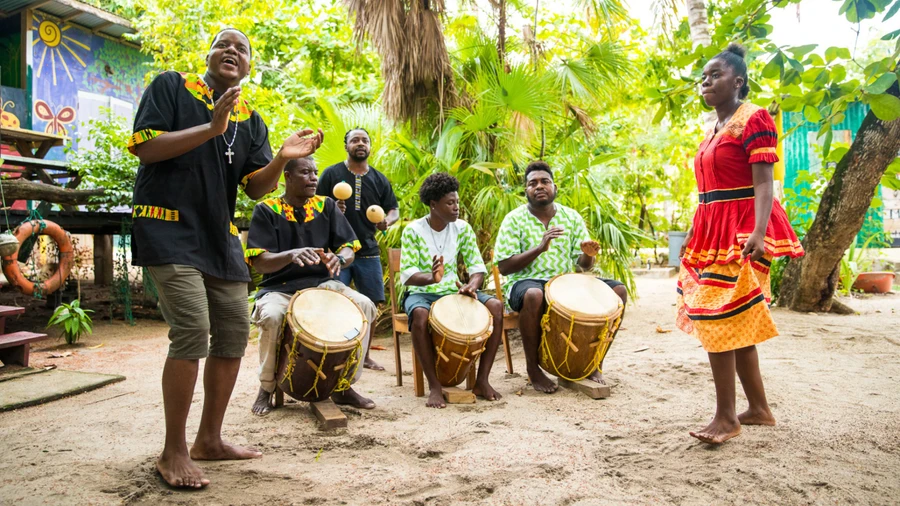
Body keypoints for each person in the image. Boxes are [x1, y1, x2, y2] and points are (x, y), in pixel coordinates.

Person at [128, 28, 324, 489]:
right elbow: (145, 146)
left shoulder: (250, 119)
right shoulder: (171, 86)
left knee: (234, 333)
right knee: (193, 328)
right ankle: (173, 449)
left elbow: (256, 187)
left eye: (242, 48)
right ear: (210, 55)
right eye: (224, 44)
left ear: (249, 65)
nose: (232, 51)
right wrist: (212, 128)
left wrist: (280, 158)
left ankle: (209, 440)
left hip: (218, 237)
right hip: (166, 226)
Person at [677, 43, 804, 445]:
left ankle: (726, 417)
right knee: (735, 322)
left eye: (715, 75)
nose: (706, 82)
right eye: (704, 76)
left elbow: (764, 181)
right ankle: (760, 410)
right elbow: (709, 189)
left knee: (716, 318)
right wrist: (694, 233)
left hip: (743, 229)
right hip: (711, 229)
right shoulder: (712, 128)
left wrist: (759, 232)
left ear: (739, 81)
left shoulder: (755, 118)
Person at [246, 157, 377, 415]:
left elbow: (349, 247)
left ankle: (343, 386)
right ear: (288, 177)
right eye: (305, 173)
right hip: (279, 289)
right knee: (273, 316)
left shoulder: (326, 206)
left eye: (315, 172)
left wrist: (339, 258)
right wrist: (290, 255)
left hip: (322, 285)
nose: (314, 178)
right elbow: (259, 262)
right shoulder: (266, 209)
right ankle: (267, 387)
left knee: (365, 306)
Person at [494, 161, 628, 393]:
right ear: (525, 190)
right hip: (526, 282)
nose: (539, 186)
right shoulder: (513, 219)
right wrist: (539, 248)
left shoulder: (571, 217)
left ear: (554, 187)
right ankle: (533, 370)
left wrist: (588, 255)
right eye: (532, 183)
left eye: (545, 181)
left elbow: (584, 266)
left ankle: (595, 363)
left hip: (567, 284)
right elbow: (505, 267)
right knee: (535, 295)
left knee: (618, 291)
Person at [400, 173, 504, 408]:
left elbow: (477, 268)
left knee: (496, 307)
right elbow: (408, 275)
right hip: (421, 292)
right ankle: (435, 386)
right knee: (419, 316)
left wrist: (471, 286)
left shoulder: (461, 228)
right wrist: (431, 277)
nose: (456, 207)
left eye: (457, 202)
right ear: (433, 205)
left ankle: (482, 380)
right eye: (450, 203)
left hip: (454, 291)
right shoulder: (414, 231)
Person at [317, 128, 400, 371]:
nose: (360, 143)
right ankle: (333, 353)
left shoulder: (379, 178)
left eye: (365, 140)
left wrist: (387, 220)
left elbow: (393, 209)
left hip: (368, 250)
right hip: (337, 252)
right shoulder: (331, 173)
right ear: (347, 146)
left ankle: (363, 355)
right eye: (355, 140)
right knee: (334, 302)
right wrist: (331, 208)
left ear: (370, 146)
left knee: (372, 304)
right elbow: (315, 203)